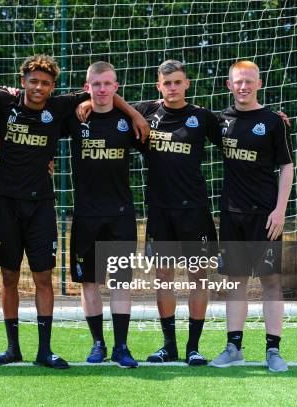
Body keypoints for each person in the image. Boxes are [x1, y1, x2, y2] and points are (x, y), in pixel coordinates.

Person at [0, 53, 149, 368]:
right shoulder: (4, 101)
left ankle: (45, 351)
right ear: (23, 83)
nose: (39, 87)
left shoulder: (61, 107)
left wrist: (134, 114)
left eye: (45, 83)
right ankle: (13, 348)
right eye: (33, 81)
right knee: (9, 276)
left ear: (52, 87)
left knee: (43, 277)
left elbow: (101, 91)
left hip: (42, 205)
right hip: (6, 202)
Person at [77, 59, 219, 365]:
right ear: (159, 86)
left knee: (198, 276)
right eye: (167, 83)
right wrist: (95, 104)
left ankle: (194, 347)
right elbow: (109, 94)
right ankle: (169, 346)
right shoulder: (146, 111)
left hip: (195, 209)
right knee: (163, 276)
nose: (172, 88)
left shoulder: (202, 117)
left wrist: (272, 119)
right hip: (159, 209)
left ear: (186, 84)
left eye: (177, 82)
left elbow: (235, 134)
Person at [209, 60, 293, 373]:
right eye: (237, 82)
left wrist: (280, 209)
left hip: (265, 215)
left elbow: (287, 166)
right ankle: (234, 347)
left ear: (258, 84)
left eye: (248, 81)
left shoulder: (274, 122)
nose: (243, 87)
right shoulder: (220, 121)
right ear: (229, 86)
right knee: (235, 281)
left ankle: (273, 350)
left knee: (270, 281)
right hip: (232, 214)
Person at [63, 61, 143, 368]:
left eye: (108, 84)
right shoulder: (74, 116)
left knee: (121, 282)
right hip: (85, 216)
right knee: (90, 283)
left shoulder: (129, 119)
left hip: (120, 215)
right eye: (96, 84)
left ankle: (122, 346)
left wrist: (134, 112)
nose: (102, 89)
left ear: (116, 87)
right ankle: (98, 344)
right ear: (87, 88)